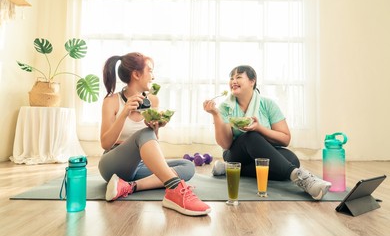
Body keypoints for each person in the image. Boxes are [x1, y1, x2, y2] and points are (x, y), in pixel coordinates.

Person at [98, 52, 211, 216]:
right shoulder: (112, 101)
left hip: (139, 165)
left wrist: (156, 127)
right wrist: (123, 113)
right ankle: (175, 189)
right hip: (112, 164)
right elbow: (105, 144)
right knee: (144, 134)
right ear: (136, 74)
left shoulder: (152, 101)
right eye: (150, 71)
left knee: (188, 167)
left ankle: (129, 186)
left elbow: (151, 140)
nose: (153, 76)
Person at [203, 65, 331, 200]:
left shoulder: (268, 104)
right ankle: (300, 177)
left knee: (292, 160)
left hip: (264, 152)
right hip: (235, 153)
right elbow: (226, 143)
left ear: (252, 81)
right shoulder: (225, 107)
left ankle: (230, 168)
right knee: (251, 137)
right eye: (231, 78)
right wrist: (216, 115)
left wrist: (260, 129)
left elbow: (285, 139)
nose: (233, 81)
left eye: (239, 77)